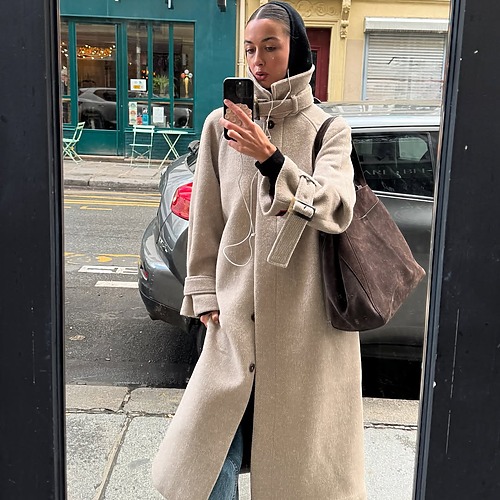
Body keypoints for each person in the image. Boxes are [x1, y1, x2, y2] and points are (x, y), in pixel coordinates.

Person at [152, 2, 366, 499]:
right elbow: (207, 217)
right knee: (208, 453)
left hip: (305, 328)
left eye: (271, 47)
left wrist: (272, 160)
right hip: (233, 317)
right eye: (250, 49)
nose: (257, 60)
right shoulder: (219, 127)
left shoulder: (328, 130)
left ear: (296, 50)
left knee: (297, 467)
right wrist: (202, 292)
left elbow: (336, 207)